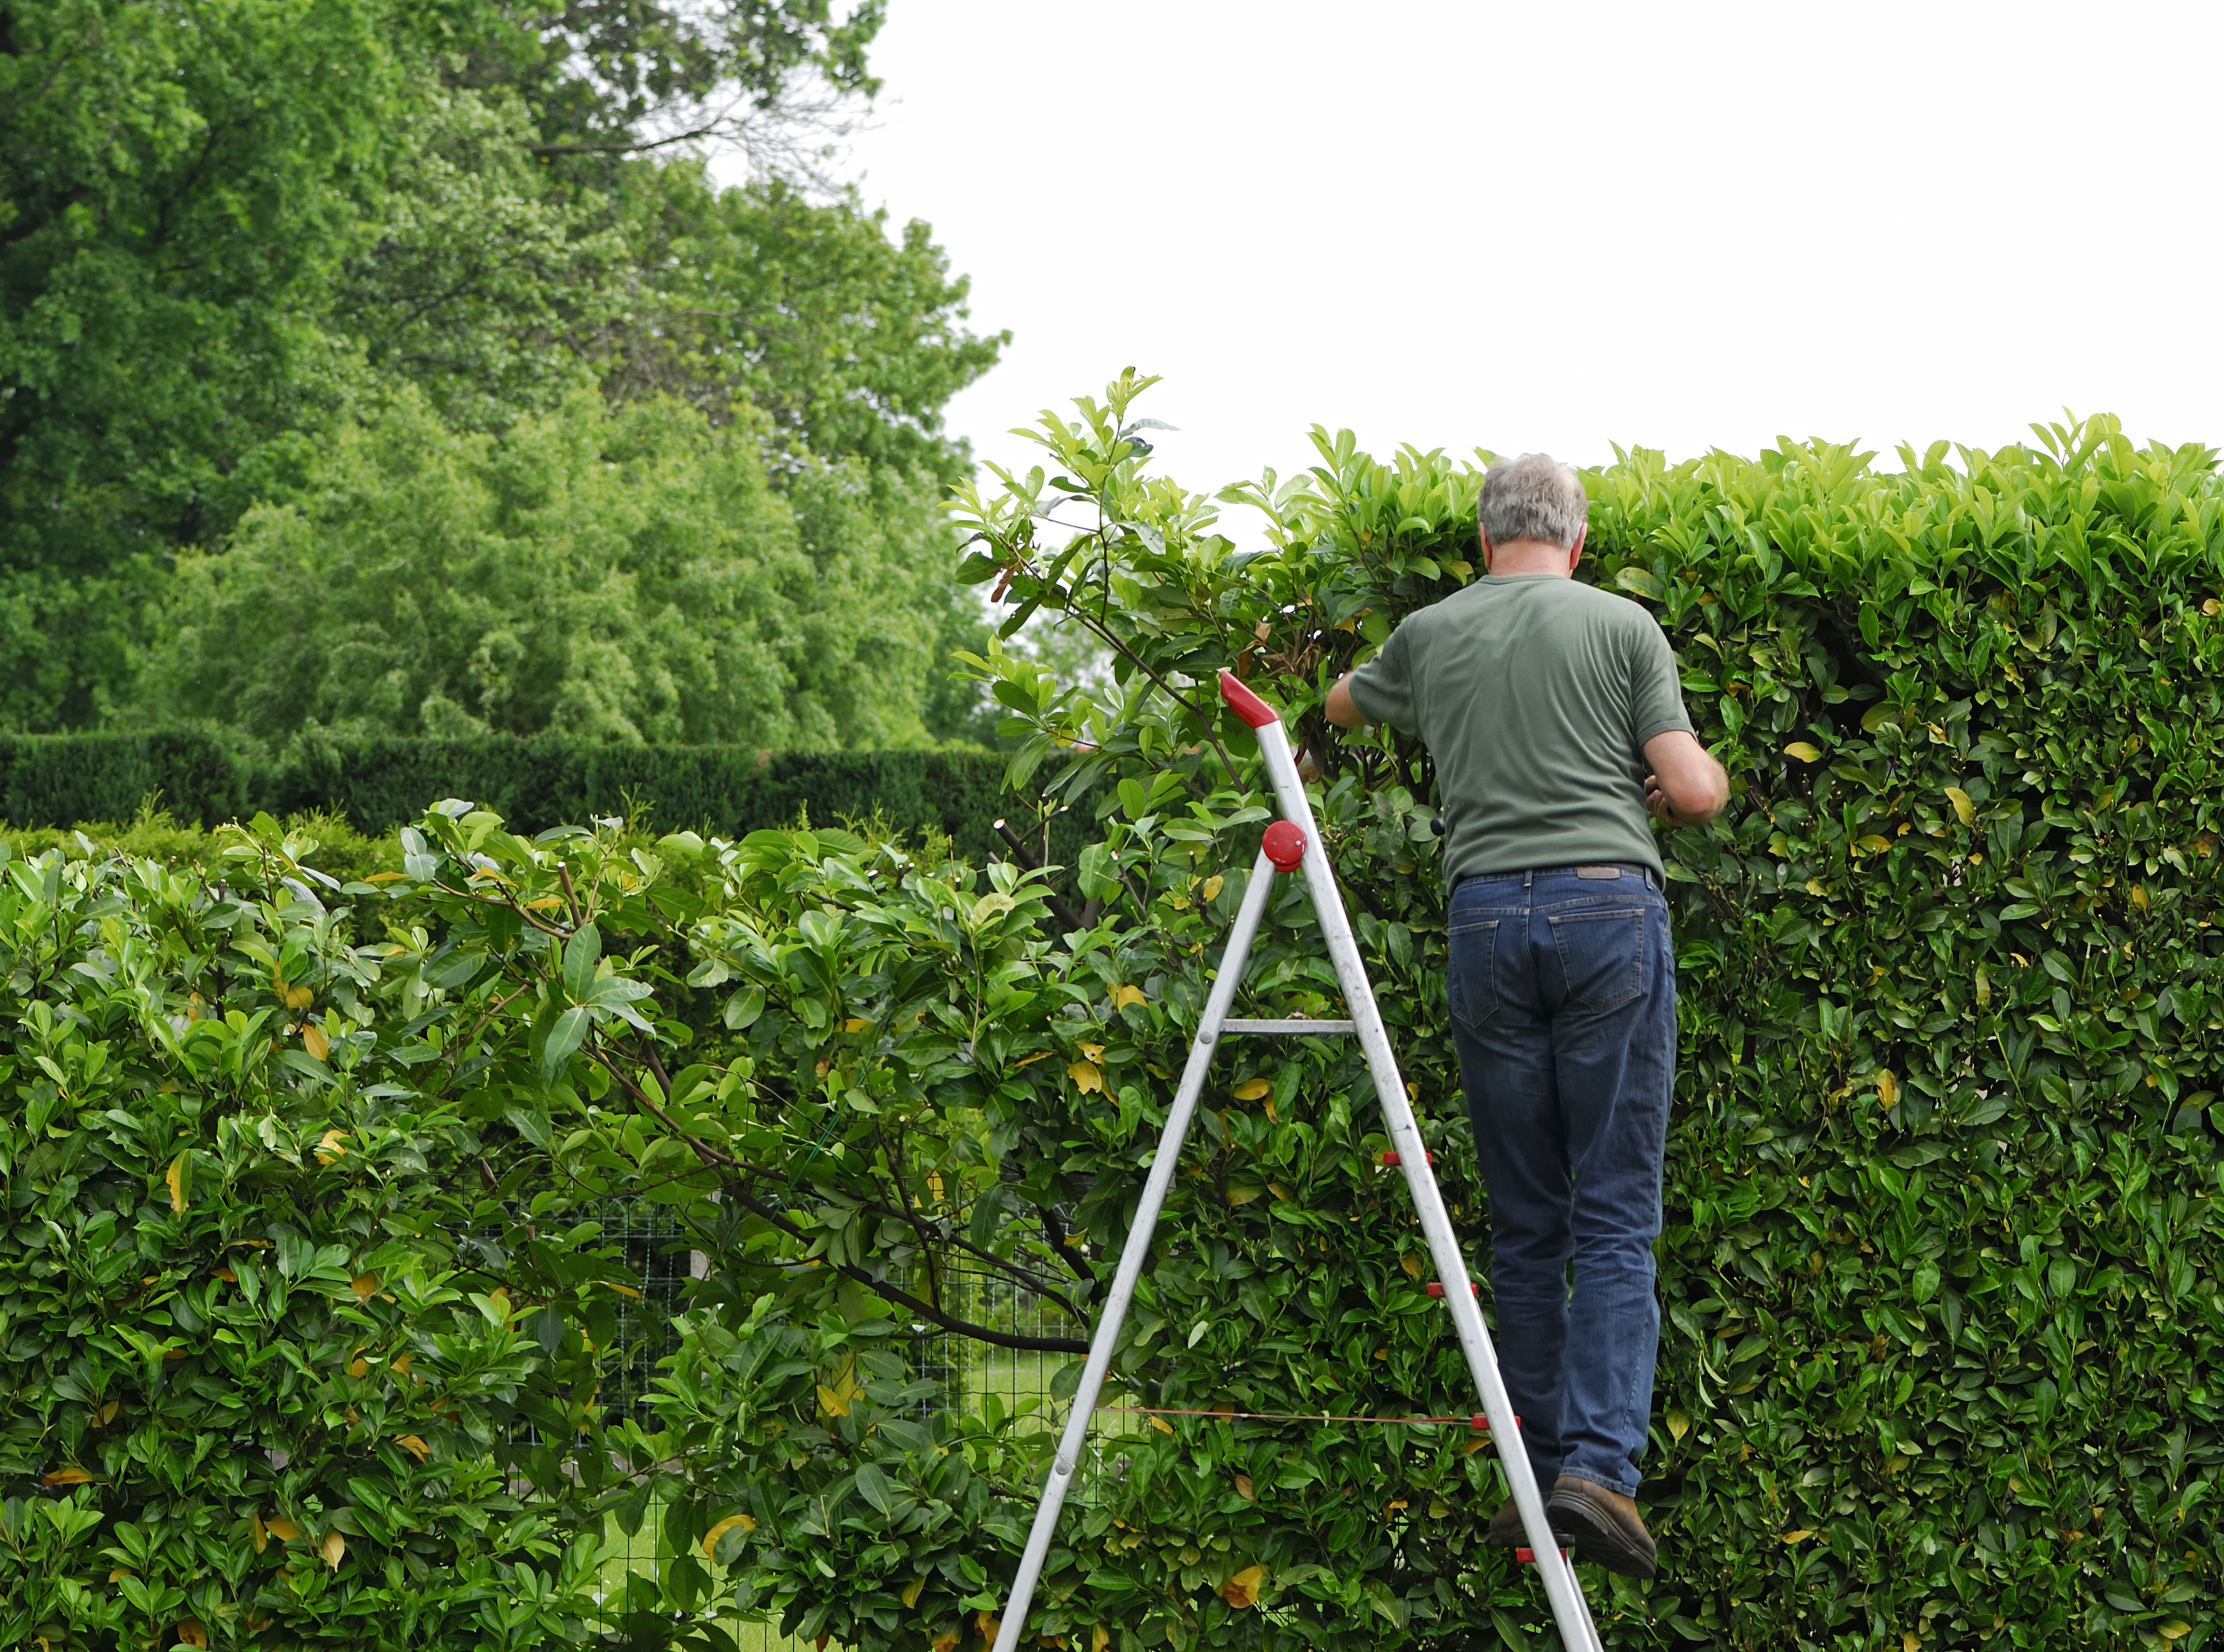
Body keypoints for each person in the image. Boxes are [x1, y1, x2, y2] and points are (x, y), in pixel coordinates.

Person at [1323, 452, 1726, 1579]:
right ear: (1578, 540)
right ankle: (1596, 1474)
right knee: (1612, 1210)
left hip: (1486, 920)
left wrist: (1368, 680)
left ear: (1483, 538)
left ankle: (1532, 1471)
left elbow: (1340, 705)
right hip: (1608, 910)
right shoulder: (1619, 628)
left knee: (1527, 1219)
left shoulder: (1433, 632)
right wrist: (1695, 782)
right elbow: (1690, 792)